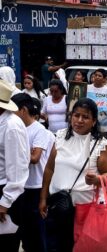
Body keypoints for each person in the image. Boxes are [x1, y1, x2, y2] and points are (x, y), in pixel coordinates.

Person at [39, 98, 107, 252]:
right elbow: (49, 169)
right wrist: (43, 197)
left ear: (94, 121)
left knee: (80, 247)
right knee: (56, 246)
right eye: (76, 115)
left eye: (85, 117)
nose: (79, 120)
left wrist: (97, 179)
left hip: (84, 209)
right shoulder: (60, 137)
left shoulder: (101, 145)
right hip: (58, 205)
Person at [11, 94, 54, 252]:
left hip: (35, 187)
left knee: (35, 235)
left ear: (22, 110)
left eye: (12, 111)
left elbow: (35, 157)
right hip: (19, 186)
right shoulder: (16, 127)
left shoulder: (39, 129)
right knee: (19, 230)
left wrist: (14, 152)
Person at [0, 80, 30, 251]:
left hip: (7, 193)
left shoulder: (11, 126)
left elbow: (18, 169)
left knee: (6, 244)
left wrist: (5, 202)